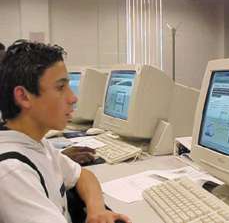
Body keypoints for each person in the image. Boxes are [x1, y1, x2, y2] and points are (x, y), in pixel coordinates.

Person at [0, 40, 131, 223]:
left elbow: (83, 175)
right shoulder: (12, 171)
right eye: (61, 87)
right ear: (23, 96)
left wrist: (97, 210)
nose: (73, 97)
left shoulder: (36, 143)